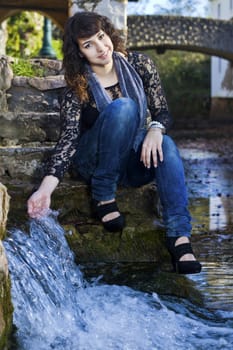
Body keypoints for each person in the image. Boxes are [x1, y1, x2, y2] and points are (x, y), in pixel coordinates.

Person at [27, 11, 201, 275]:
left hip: (130, 162)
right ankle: (103, 195)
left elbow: (162, 111)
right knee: (124, 107)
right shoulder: (78, 86)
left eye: (100, 37)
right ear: (80, 53)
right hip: (94, 163)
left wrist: (156, 128)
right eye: (88, 45)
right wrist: (45, 190)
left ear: (108, 33)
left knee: (165, 144)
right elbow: (69, 140)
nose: (100, 48)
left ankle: (179, 237)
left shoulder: (140, 65)